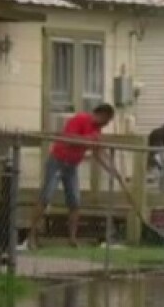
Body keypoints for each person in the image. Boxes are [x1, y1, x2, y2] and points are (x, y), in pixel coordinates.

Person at [25, 103, 117, 249]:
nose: (107, 123)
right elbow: (69, 140)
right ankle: (30, 236)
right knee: (46, 197)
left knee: (75, 201)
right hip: (57, 162)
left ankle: (72, 239)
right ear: (101, 114)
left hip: (72, 166)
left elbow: (98, 152)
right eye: (107, 119)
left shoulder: (97, 130)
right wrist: (89, 139)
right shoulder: (80, 119)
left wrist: (111, 169)